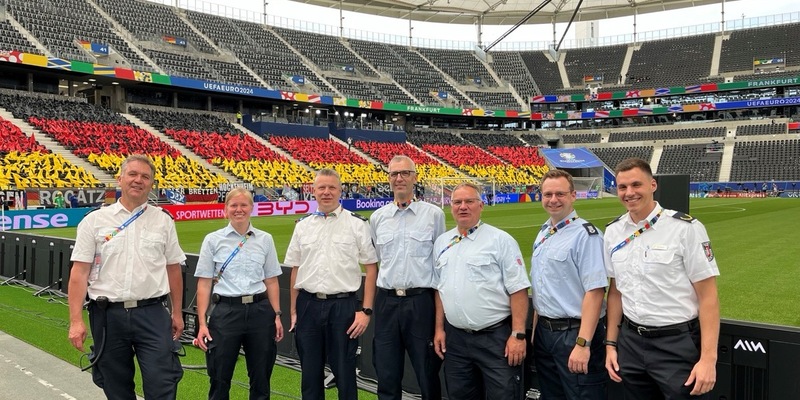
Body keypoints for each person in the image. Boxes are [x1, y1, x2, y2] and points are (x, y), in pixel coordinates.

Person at [68, 154, 185, 400]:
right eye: (132, 174)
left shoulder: (163, 221)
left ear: (152, 184)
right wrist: (76, 321)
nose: (138, 180)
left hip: (152, 313)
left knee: (162, 384)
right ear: (119, 179)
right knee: (115, 387)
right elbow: (79, 273)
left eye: (145, 176)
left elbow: (173, 269)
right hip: (108, 315)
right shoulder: (95, 221)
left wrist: (177, 313)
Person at [604, 158, 720, 399]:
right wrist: (611, 344)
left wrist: (708, 359)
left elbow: (708, 296)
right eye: (622, 187)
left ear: (653, 185)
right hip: (631, 343)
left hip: (676, 344)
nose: (629, 193)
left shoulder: (685, 228)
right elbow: (615, 291)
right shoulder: (613, 231)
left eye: (636, 185)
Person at [285, 168, 378, 400]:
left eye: (332, 187)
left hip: (343, 307)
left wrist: (365, 310)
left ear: (340, 191)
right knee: (310, 373)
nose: (326, 192)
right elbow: (295, 269)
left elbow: (371, 267)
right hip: (308, 305)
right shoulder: (302, 226)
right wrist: (294, 310)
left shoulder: (357, 224)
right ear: (313, 191)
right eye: (321, 188)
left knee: (345, 373)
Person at [432, 182, 530, 400]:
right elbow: (440, 290)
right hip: (456, 341)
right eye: (457, 202)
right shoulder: (442, 243)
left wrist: (518, 334)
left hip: (495, 338)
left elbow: (519, 290)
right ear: (451, 206)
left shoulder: (500, 240)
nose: (463, 207)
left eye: (469, 201)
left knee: (504, 395)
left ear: (481, 205)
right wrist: (439, 329)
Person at [194, 188, 284, 400]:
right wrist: (202, 324)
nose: (239, 210)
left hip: (260, 312)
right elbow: (204, 284)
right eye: (233, 205)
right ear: (225, 209)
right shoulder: (212, 240)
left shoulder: (265, 239)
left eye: (244, 205)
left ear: (252, 208)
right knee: (219, 376)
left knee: (261, 376)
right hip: (226, 311)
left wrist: (277, 315)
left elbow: (271, 280)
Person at [369, 155, 446, 400]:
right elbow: (380, 258)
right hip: (387, 302)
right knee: (387, 373)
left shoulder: (434, 215)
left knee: (427, 372)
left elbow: (439, 263)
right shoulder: (378, 218)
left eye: (404, 173)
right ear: (388, 179)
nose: (399, 178)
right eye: (394, 174)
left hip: (420, 302)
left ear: (414, 177)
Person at [530, 169, 608, 399]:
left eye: (560, 194)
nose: (553, 200)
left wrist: (583, 343)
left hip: (574, 333)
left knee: (583, 395)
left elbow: (595, 292)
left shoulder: (587, 235)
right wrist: (536, 333)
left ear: (573, 196)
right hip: (546, 333)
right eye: (548, 194)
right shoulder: (544, 232)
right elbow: (542, 288)